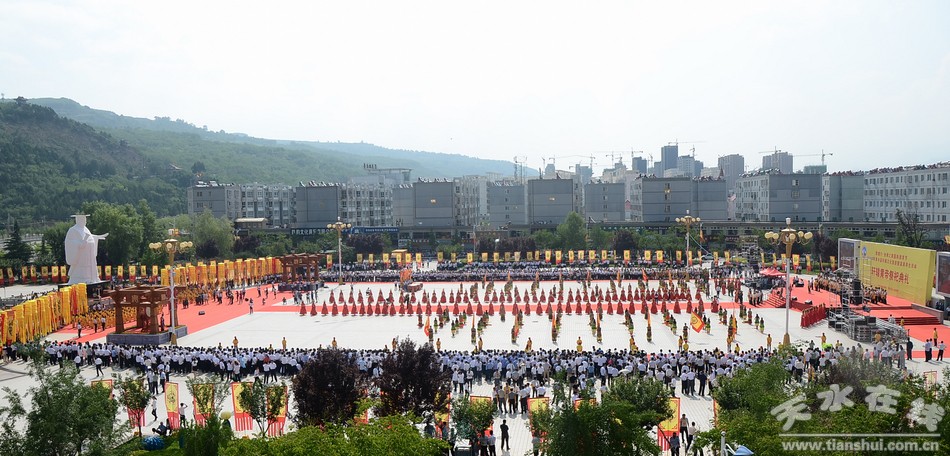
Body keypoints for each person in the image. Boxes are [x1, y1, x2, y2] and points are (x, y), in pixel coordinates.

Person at [64, 214, 108, 285]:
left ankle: (92, 278)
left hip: (89, 254)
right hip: (81, 256)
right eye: (83, 220)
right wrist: (79, 244)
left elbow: (90, 237)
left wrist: (96, 237)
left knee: (91, 266)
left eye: (85, 219)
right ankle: (82, 279)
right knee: (82, 267)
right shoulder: (73, 230)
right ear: (77, 220)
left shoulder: (86, 229)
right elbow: (69, 242)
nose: (85, 221)